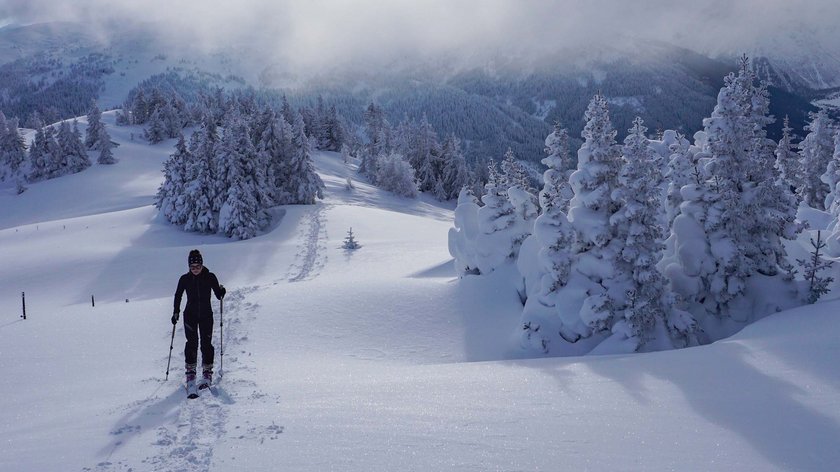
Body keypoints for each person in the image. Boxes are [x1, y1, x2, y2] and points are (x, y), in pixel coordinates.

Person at [172, 249, 226, 390]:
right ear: (189, 267)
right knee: (192, 343)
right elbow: (178, 295)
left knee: (206, 343)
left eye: (198, 266)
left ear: (202, 265)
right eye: (192, 267)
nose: (195, 269)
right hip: (189, 315)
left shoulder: (210, 277)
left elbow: (217, 295)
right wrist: (176, 312)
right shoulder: (184, 279)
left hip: (206, 315)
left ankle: (207, 372)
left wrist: (221, 292)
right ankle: (190, 373)